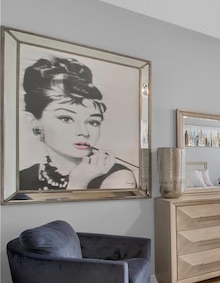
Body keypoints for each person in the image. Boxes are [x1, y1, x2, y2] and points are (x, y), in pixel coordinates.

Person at [19, 57, 136, 190]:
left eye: (93, 122)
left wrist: (79, 183)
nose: (84, 132)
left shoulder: (117, 178)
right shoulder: (22, 178)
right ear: (34, 122)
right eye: (66, 119)